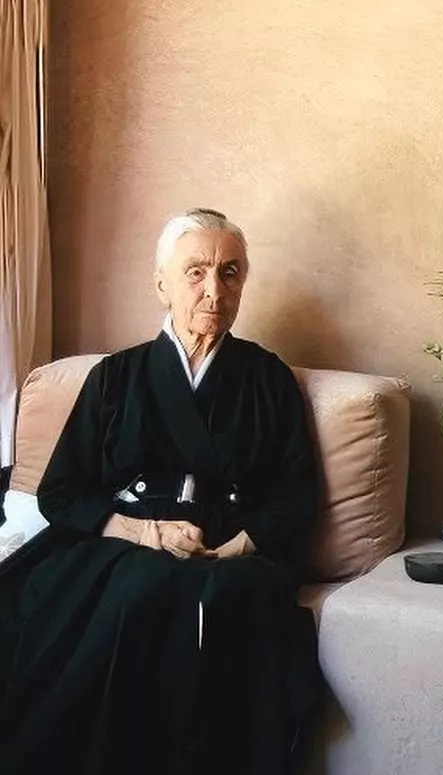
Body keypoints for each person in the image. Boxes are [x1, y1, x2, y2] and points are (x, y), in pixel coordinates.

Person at [0, 208, 322, 775]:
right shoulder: (116, 377)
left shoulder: (267, 378)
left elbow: (296, 495)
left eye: (230, 272)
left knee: (231, 600)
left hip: (226, 546)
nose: (213, 290)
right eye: (195, 272)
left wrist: (241, 544)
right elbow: (61, 492)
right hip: (124, 541)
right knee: (135, 590)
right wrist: (144, 532)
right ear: (162, 283)